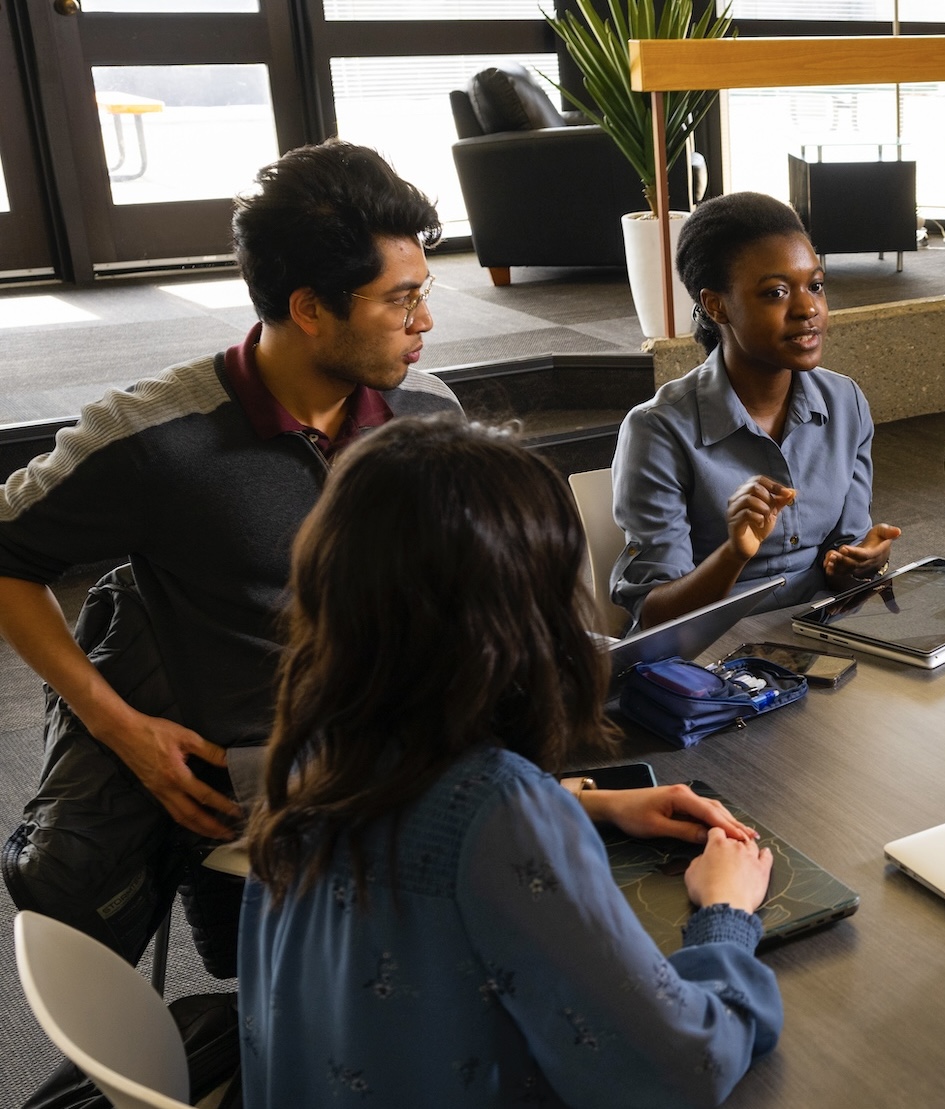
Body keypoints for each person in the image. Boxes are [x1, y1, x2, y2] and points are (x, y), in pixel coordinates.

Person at [0, 140, 460, 969]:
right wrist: (123, 730)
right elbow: (5, 554)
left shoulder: (427, 411)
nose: (425, 321)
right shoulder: (156, 440)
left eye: (424, 291)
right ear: (310, 307)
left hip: (413, 747)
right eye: (400, 300)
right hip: (270, 791)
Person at [239, 416, 781, 1108]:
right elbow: (679, 1067)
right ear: (520, 618)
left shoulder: (314, 748)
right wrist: (728, 914)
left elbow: (412, 815)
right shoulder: (498, 809)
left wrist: (583, 802)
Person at [612, 192, 898, 629]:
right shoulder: (658, 430)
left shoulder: (846, 403)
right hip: (711, 653)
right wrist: (735, 553)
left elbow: (846, 553)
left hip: (823, 630)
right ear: (716, 305)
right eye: (776, 292)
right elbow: (654, 614)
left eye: (815, 286)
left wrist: (858, 563)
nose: (808, 309)